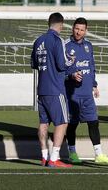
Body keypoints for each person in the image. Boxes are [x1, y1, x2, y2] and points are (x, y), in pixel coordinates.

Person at [64, 17, 108, 164]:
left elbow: (91, 66)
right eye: (76, 28)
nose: (78, 32)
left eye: (81, 29)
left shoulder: (89, 46)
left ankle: (99, 155)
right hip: (72, 94)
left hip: (87, 94)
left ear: (86, 31)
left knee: (93, 122)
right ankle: (72, 153)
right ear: (72, 28)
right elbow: (60, 69)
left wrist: (94, 85)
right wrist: (71, 75)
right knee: (72, 125)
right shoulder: (64, 45)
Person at [31, 12, 74, 168]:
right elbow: (62, 64)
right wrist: (71, 60)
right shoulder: (57, 40)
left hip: (41, 89)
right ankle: (54, 158)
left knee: (43, 123)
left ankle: (44, 156)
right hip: (55, 89)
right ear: (61, 25)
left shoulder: (38, 40)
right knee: (62, 122)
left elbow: (34, 64)